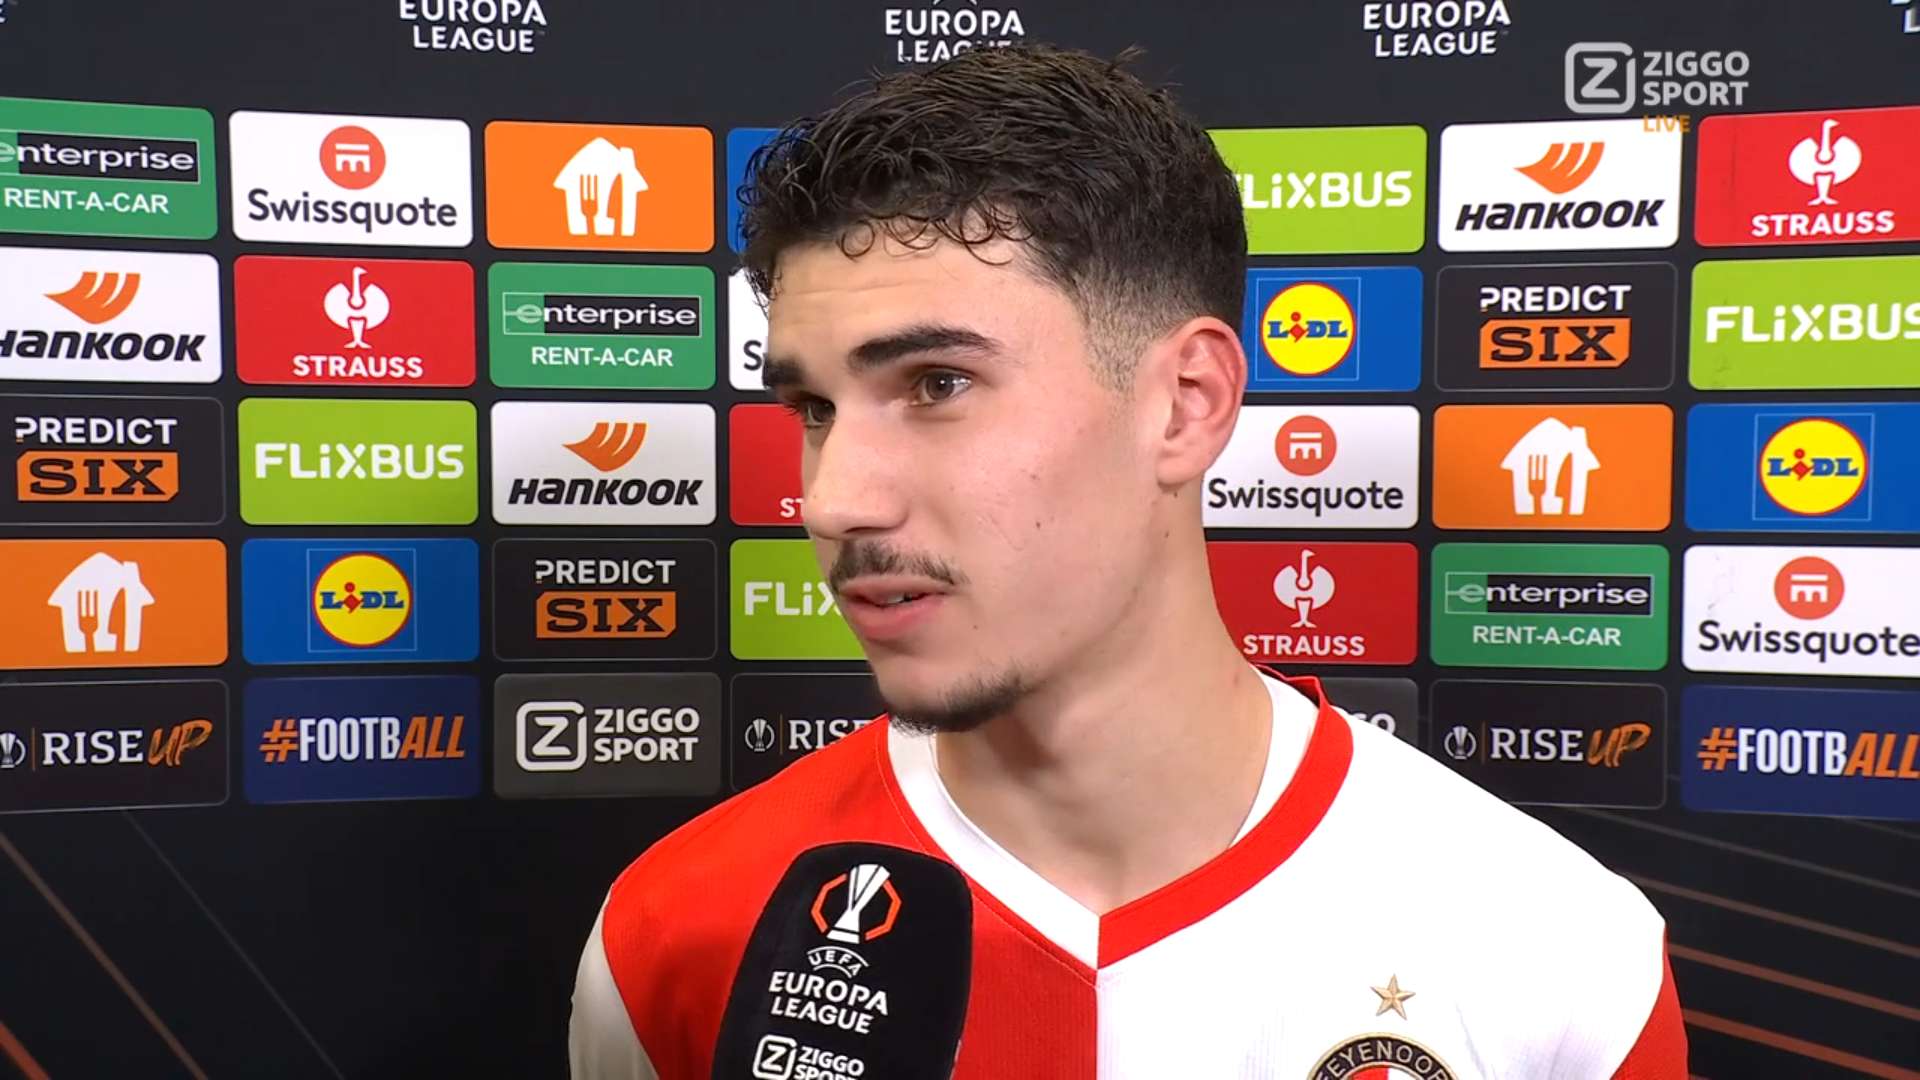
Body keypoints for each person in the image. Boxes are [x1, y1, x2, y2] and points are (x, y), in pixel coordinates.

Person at [569, 42, 1686, 1078]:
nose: (833, 500)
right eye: (815, 409)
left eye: (937, 385)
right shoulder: (677, 932)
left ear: (1186, 404)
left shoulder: (1559, 956)